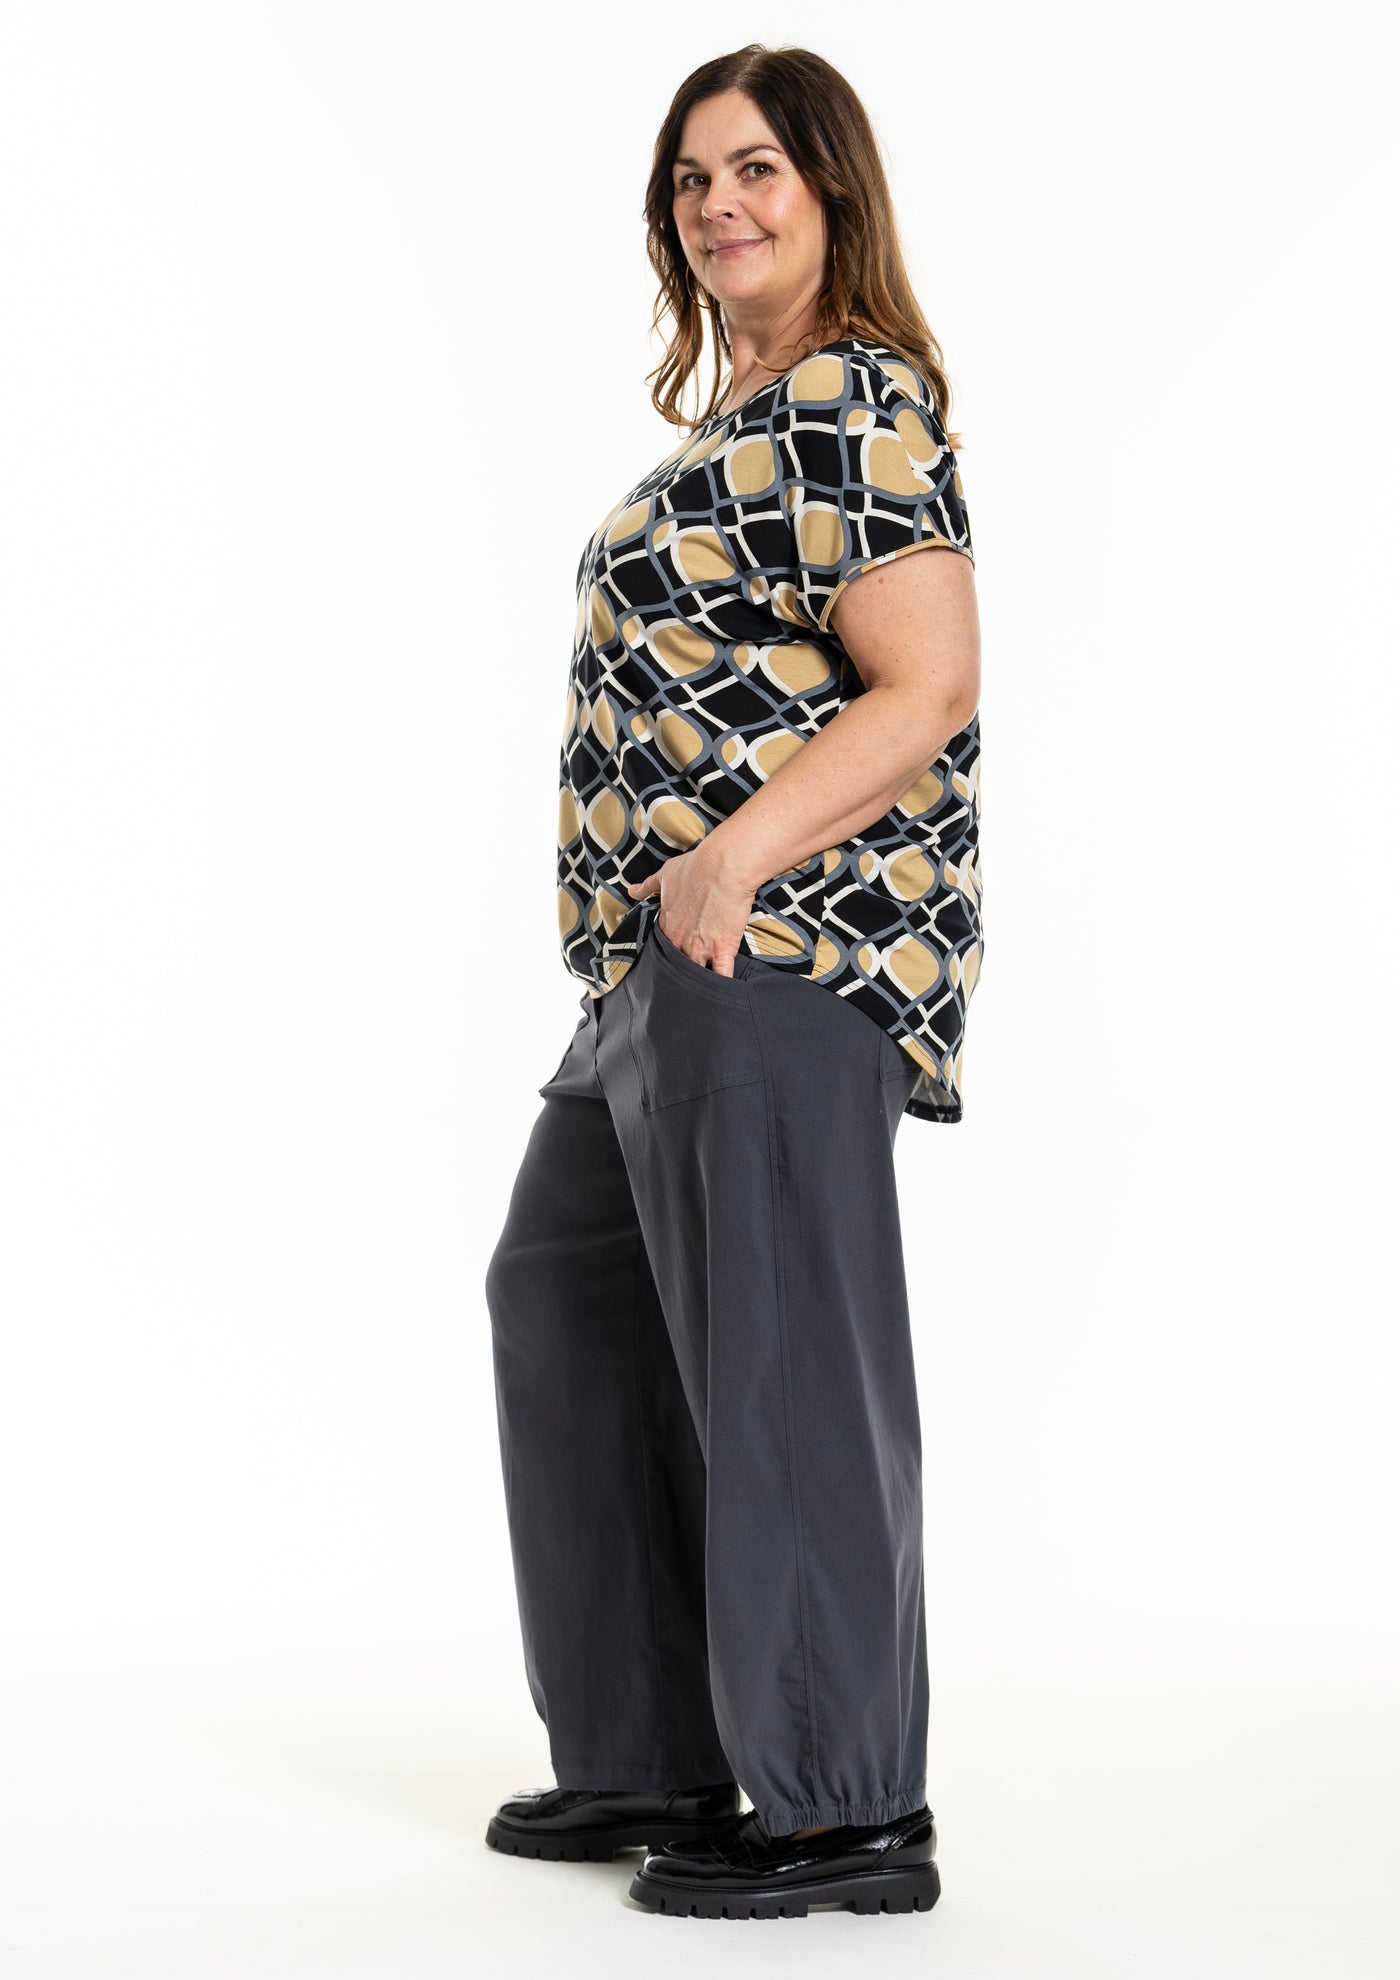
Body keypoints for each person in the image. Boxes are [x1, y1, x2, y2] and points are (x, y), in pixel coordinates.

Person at [483, 41, 983, 1922]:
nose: (720, 204)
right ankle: (652, 1746)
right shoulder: (730, 429)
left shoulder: (859, 396)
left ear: (831, 189)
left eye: (758, 167)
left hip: (778, 942)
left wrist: (733, 857)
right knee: (564, 1295)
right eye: (693, 179)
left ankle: (845, 1805)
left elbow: (929, 681)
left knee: (776, 1355)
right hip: (654, 973)